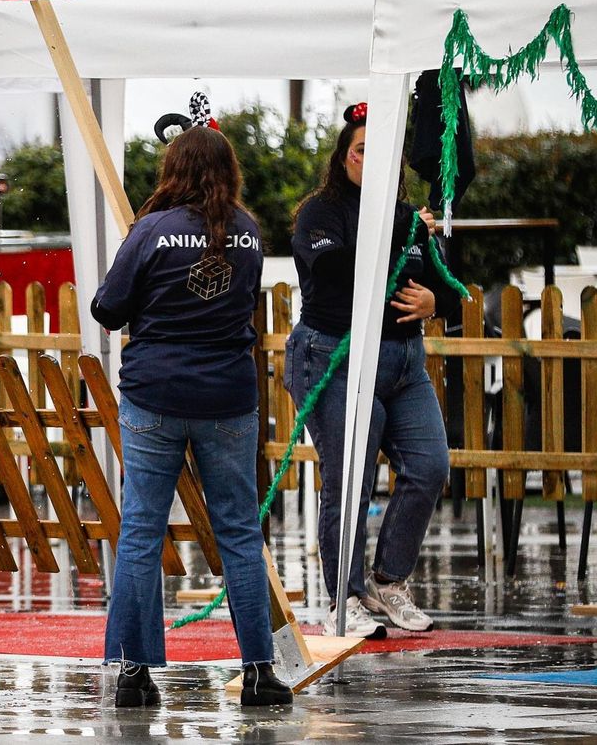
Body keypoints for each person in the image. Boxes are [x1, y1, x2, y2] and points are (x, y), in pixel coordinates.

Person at [93, 114, 292, 709]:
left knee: (142, 532)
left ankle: (134, 672)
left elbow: (107, 308)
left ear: (173, 170)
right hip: (227, 397)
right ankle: (259, 670)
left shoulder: (151, 231)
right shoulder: (250, 232)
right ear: (229, 174)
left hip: (155, 394)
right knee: (238, 532)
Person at [285, 102, 457, 639]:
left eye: (381, 154)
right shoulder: (320, 212)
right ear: (344, 157)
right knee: (350, 480)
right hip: (333, 354)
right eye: (361, 150)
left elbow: (448, 283)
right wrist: (397, 239)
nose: (369, 160)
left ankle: (388, 580)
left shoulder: (408, 219)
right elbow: (334, 270)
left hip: (404, 358)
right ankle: (346, 596)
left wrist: (436, 302)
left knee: (430, 465)